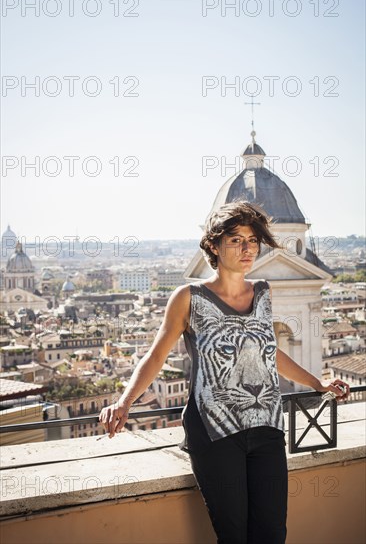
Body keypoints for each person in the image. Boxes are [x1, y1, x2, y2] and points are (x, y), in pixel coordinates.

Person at [99, 200, 350, 544]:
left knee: (273, 534)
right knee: (234, 535)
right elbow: (157, 355)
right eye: (235, 240)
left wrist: (316, 382)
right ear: (213, 246)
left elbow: (268, 352)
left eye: (252, 240)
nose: (247, 248)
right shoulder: (188, 297)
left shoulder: (262, 292)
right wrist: (125, 402)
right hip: (215, 434)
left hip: (267, 427)